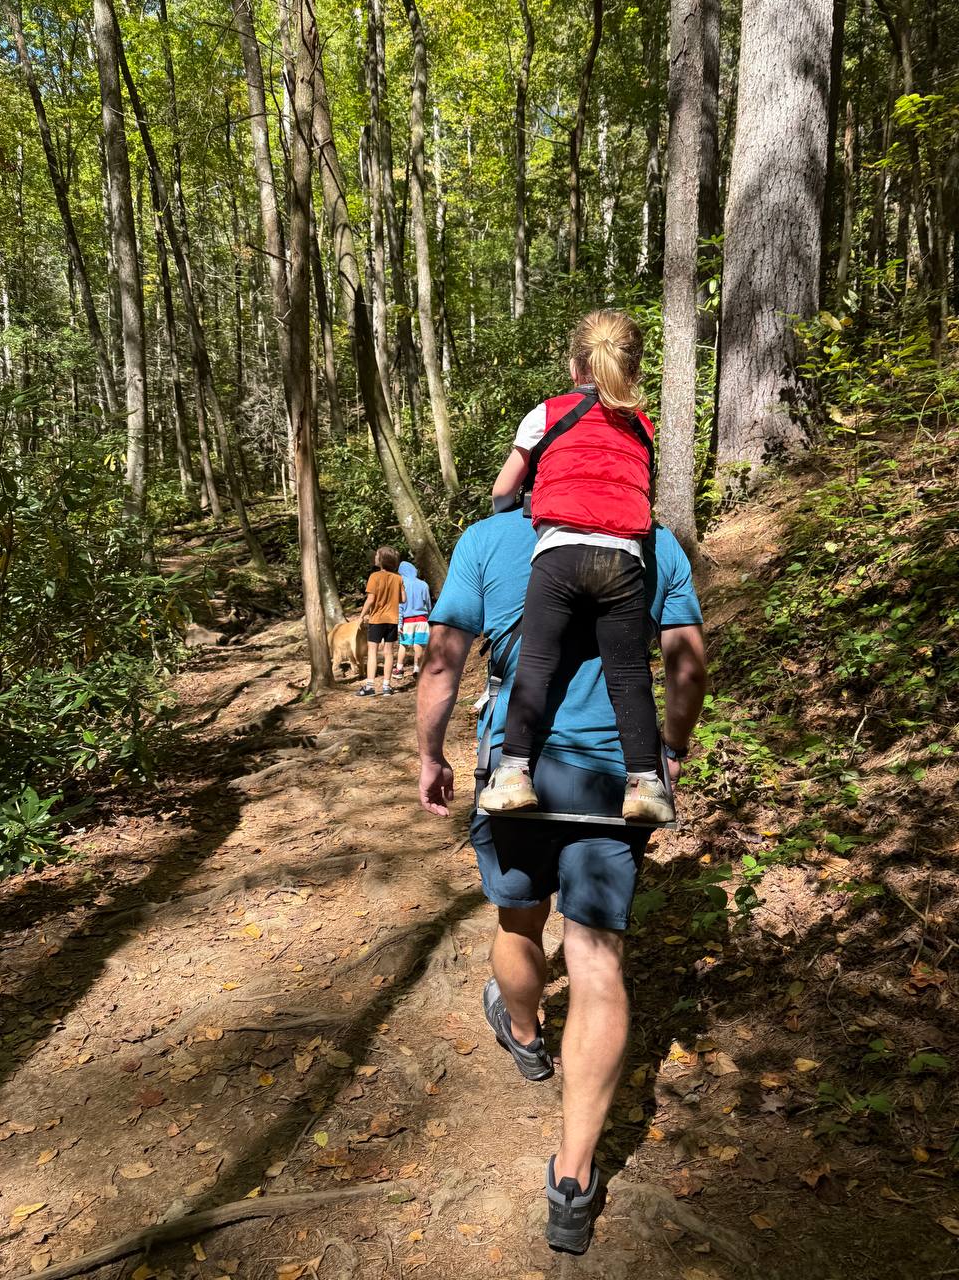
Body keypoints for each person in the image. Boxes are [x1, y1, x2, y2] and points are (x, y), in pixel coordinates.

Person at [416, 505, 706, 1255]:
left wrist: (430, 755)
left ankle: (523, 1033)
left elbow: (444, 660)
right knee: (597, 960)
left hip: (518, 775)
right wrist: (671, 748)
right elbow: (688, 663)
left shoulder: (485, 539)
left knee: (518, 922)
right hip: (617, 777)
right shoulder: (654, 540)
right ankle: (572, 1182)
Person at [480, 309, 670, 825]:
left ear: (574, 366)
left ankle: (514, 775)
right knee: (629, 673)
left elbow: (502, 491)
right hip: (623, 558)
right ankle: (646, 786)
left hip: (560, 553)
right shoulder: (642, 425)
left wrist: (518, 507)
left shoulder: (547, 413)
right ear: (631, 370)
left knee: (537, 663)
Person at [356, 545, 405, 697]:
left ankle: (370, 686)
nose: (375, 557)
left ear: (382, 560)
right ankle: (386, 686)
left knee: (372, 652)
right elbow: (403, 599)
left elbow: (370, 599)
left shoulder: (374, 577)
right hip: (392, 620)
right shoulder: (398, 578)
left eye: (377, 555)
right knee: (389, 653)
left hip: (376, 619)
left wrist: (361, 616)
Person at [394, 560, 432, 681]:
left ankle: (399, 669)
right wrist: (429, 617)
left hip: (407, 621)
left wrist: (399, 624)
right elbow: (428, 603)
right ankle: (417, 669)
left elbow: (400, 607)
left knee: (403, 645)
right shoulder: (423, 585)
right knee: (418, 644)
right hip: (422, 620)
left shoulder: (401, 585)